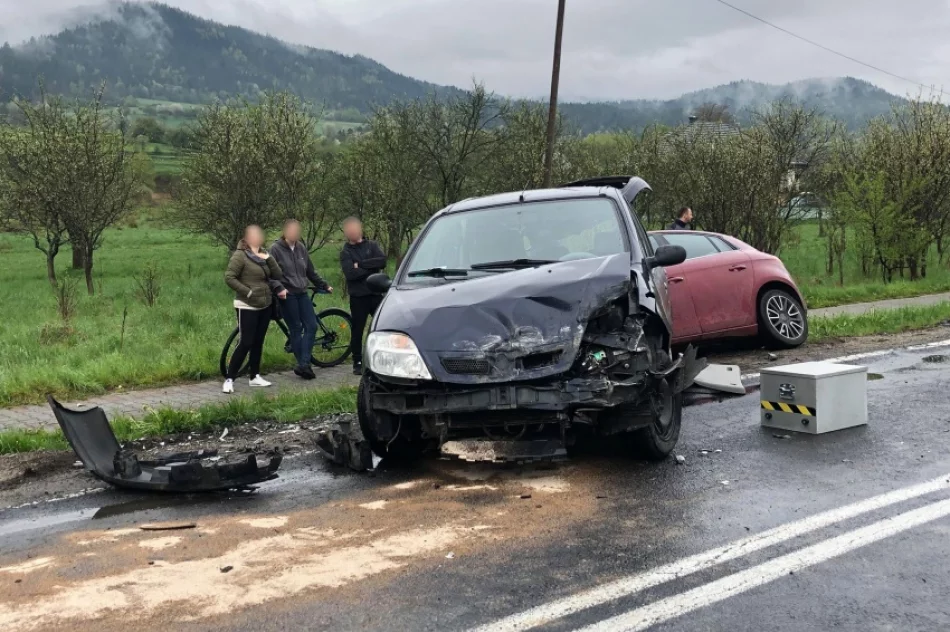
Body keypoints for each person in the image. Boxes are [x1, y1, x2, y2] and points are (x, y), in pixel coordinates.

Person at [223, 225, 285, 394]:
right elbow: (229, 277)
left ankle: (254, 376)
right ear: (247, 238)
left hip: (265, 303)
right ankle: (229, 379)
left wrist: (268, 258)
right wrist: (247, 292)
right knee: (246, 342)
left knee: (258, 342)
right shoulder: (240, 255)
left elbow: (278, 274)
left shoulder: (264, 253)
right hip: (247, 305)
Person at [270, 220, 333, 380]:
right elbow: (269, 275)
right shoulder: (275, 249)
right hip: (287, 294)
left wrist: (323, 285)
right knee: (296, 329)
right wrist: (279, 289)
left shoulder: (301, 248)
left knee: (311, 325)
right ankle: (304, 365)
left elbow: (310, 271)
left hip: (302, 292)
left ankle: (303, 364)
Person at [340, 217, 388, 375]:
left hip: (376, 294)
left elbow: (381, 261)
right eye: (349, 229)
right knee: (358, 330)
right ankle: (357, 361)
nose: (352, 232)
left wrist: (360, 264)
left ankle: (385, 357)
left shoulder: (372, 245)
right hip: (358, 297)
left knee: (384, 327)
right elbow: (351, 274)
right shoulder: (346, 252)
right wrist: (370, 267)